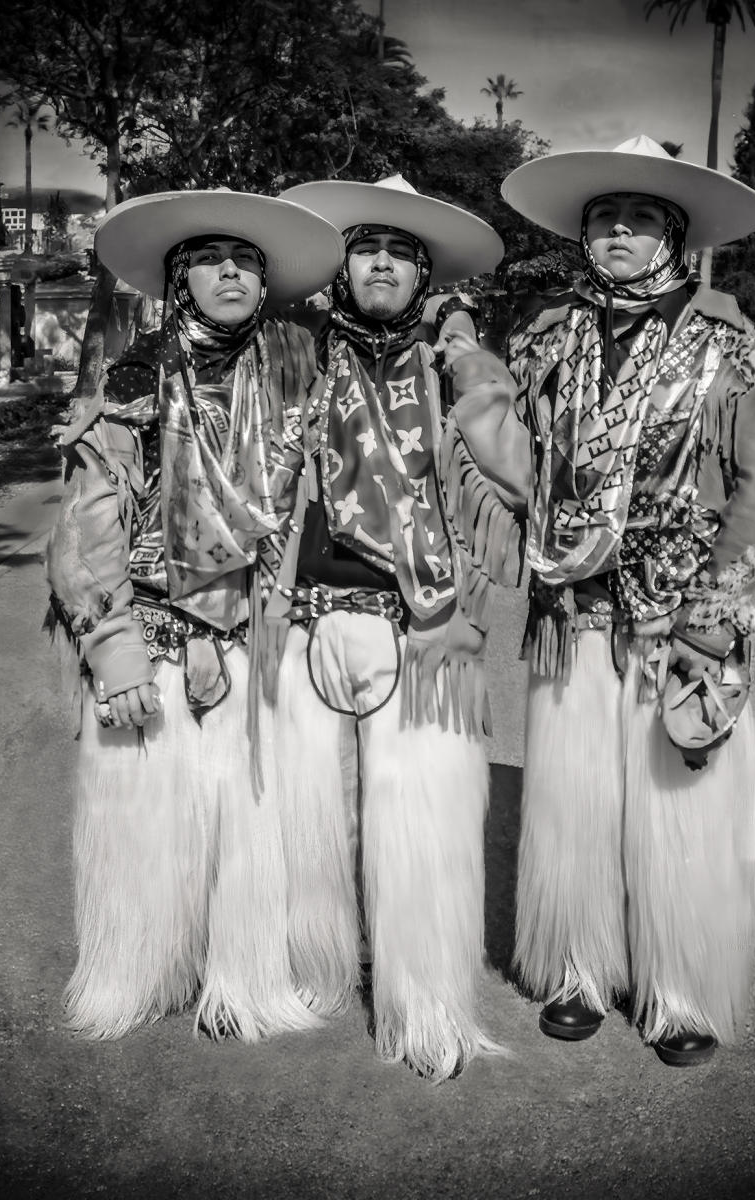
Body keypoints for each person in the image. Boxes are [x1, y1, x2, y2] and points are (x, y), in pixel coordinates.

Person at [500, 135, 755, 1066]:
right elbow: (512, 457)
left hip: (680, 615)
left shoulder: (728, 345)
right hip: (574, 608)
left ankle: (680, 987)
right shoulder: (549, 338)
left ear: (675, 235)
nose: (618, 233)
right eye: (603, 218)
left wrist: (715, 619)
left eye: (639, 218)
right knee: (574, 799)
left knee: (680, 809)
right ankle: (579, 966)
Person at [44, 189, 344, 1041]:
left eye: (246, 260)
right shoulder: (132, 381)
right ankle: (150, 970)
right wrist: (113, 650)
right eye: (210, 260)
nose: (230, 273)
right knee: (148, 829)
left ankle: (241, 977)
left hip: (260, 638)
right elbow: (89, 524)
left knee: (254, 831)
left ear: (266, 280)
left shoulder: (299, 377)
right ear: (179, 279)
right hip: (154, 638)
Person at [262, 175, 530, 1081]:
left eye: (400, 252)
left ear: (425, 275)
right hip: (309, 624)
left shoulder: (454, 369)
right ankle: (318, 973)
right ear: (341, 265)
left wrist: (465, 351)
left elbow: (514, 483)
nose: (381, 262)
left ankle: (427, 1009)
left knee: (422, 834)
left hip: (423, 630)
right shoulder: (298, 354)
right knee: (312, 821)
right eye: (365, 247)